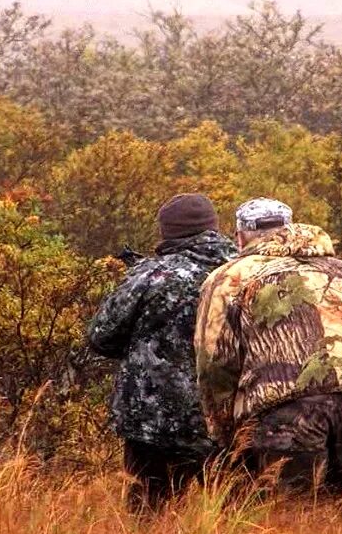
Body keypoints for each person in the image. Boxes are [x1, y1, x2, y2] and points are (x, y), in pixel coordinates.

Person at [194, 198, 342, 499]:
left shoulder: (229, 277)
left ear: (239, 236)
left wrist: (227, 435)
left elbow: (215, 363)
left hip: (286, 407)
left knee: (291, 518)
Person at [86, 193, 237, 511]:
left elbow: (101, 336)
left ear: (167, 231)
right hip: (228, 417)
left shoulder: (151, 275)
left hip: (154, 420)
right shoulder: (243, 271)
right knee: (234, 517)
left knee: (149, 518)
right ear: (213, 225)